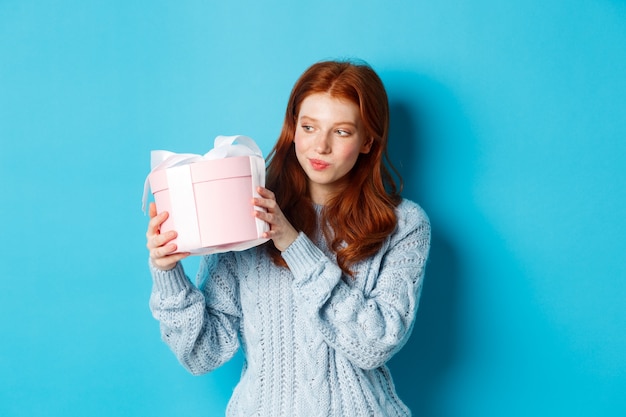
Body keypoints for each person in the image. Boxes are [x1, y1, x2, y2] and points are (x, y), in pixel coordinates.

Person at [146, 59, 431, 417]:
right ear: (293, 128)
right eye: (309, 127)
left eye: (341, 131)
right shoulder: (247, 208)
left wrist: (294, 245)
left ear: (368, 142)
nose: (320, 146)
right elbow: (203, 353)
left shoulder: (403, 225)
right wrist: (167, 271)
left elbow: (374, 345)